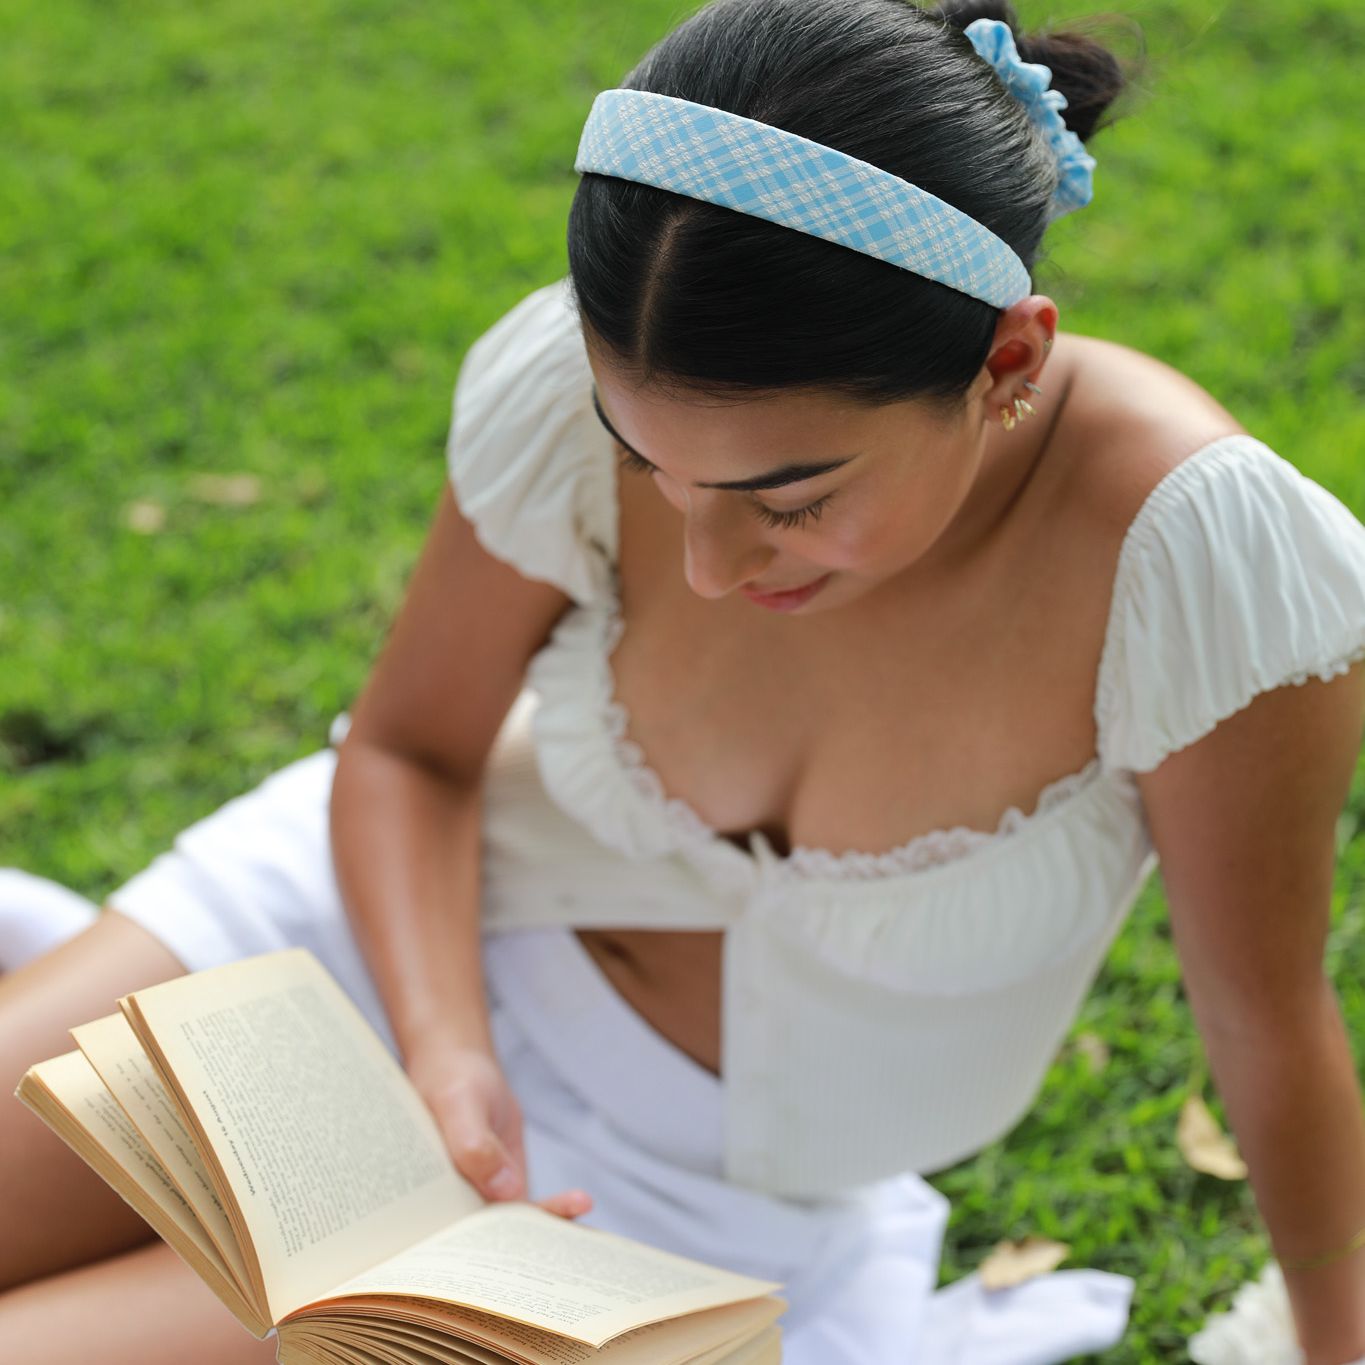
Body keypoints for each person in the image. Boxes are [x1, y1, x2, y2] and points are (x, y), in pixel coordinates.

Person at [3, 0, 1364, 1361]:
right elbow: (410, 747)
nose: (706, 560)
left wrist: (1335, 1338)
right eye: (649, 465)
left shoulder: (1193, 559)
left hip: (658, 1209)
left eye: (788, 494)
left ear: (1006, 360)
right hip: (353, 957)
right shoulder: (576, 374)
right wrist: (441, 1050)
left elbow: (1265, 1019)